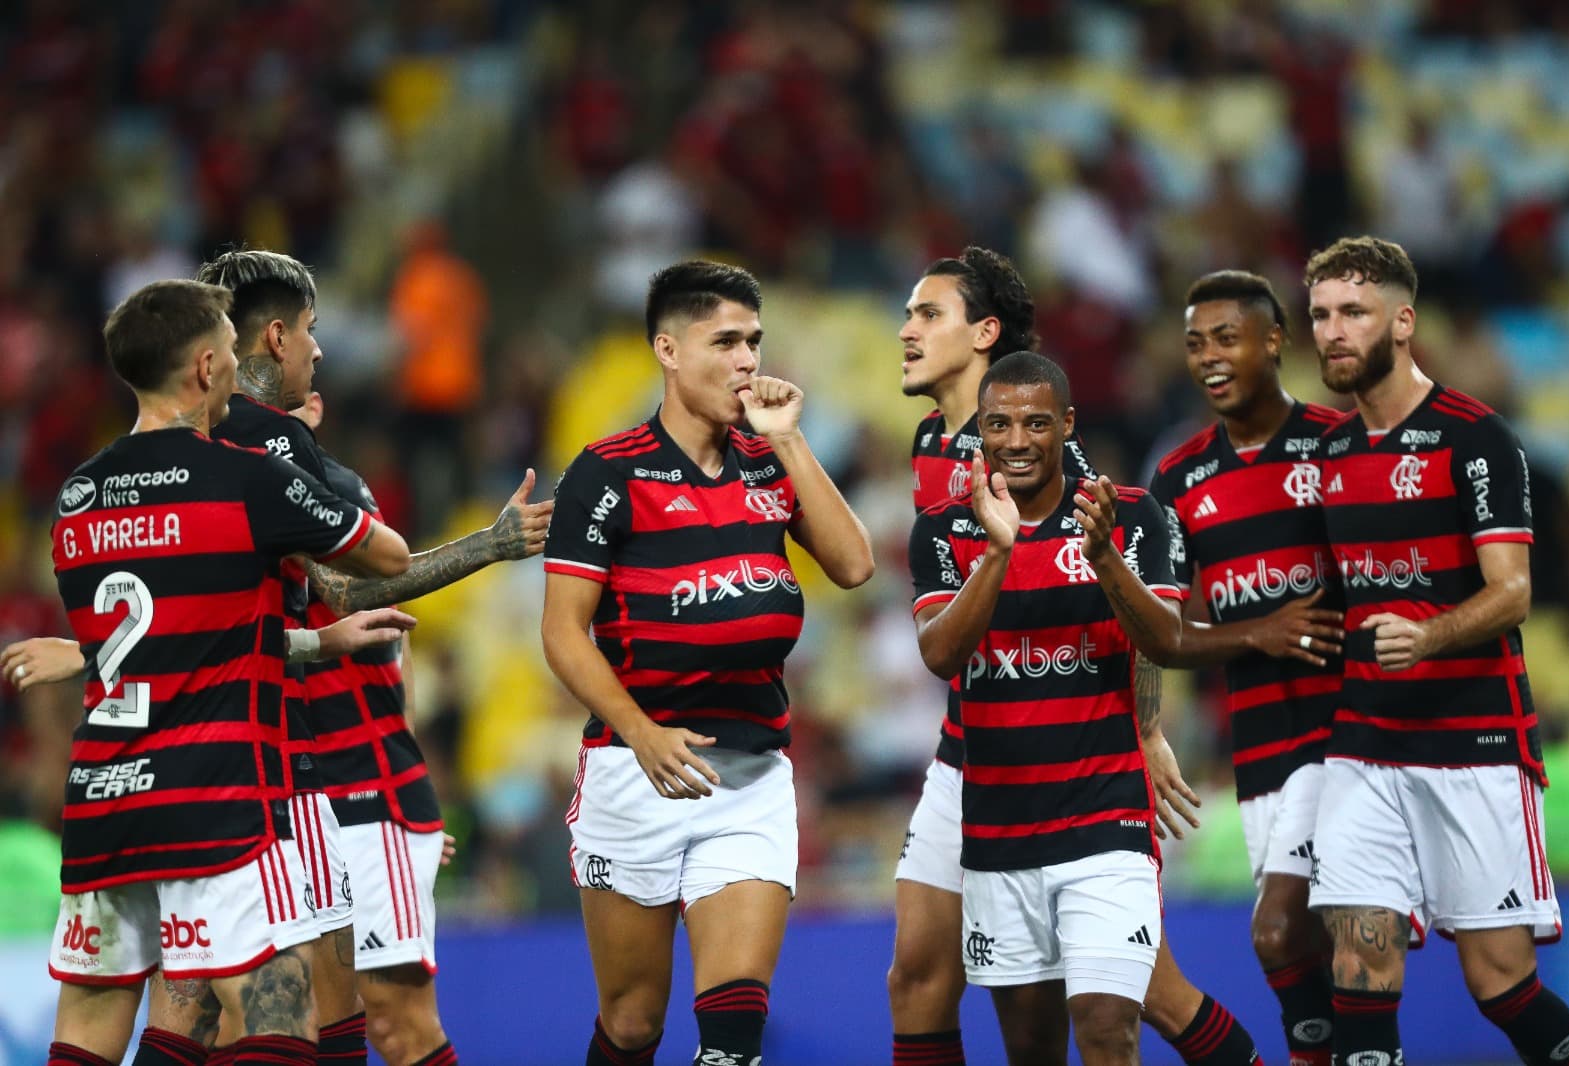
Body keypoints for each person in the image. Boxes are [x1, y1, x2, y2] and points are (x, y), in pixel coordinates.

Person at [892, 247, 1261, 1066]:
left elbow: (1118, 582)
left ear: (983, 334)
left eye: (928, 314)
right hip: (976, 758)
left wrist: (1148, 724)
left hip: (1073, 760)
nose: (907, 330)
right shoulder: (928, 442)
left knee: (1138, 1000)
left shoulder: (1064, 467)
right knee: (917, 974)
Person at [180, 249, 548, 1066]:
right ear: (274, 339)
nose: (320, 352)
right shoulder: (224, 461)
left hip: (343, 773)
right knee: (249, 1013)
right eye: (310, 333)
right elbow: (352, 593)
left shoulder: (310, 472)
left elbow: (376, 623)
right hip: (268, 776)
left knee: (353, 1018)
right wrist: (490, 544)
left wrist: (403, 787)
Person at [44, 279, 410, 1066]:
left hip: (105, 796)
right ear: (210, 367)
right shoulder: (246, 479)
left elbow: (155, 632)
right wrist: (299, 470)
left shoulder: (75, 497)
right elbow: (388, 555)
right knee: (277, 1007)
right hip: (219, 795)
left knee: (88, 1023)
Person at [542, 260, 874, 1066]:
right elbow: (561, 633)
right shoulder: (607, 471)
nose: (746, 361)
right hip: (634, 771)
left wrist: (789, 440)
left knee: (733, 1032)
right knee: (632, 1024)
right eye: (724, 341)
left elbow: (855, 564)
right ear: (667, 348)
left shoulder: (770, 462)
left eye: (754, 342)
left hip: (751, 777)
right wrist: (641, 731)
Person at [1302, 236, 1569, 1066]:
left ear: (1403, 320)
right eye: (1320, 316)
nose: (1333, 332)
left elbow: (1513, 591)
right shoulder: (1331, 454)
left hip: (1474, 743)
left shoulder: (1477, 438)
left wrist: (1427, 635)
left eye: (1353, 312)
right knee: (1358, 963)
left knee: (1500, 983)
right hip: (1364, 747)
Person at [909, 350, 1177, 1066]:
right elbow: (940, 657)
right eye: (998, 424)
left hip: (1106, 821)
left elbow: (1165, 641)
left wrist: (1107, 560)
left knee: (1106, 1025)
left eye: (1035, 422)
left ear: (1066, 424)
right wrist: (998, 554)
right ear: (981, 435)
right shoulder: (943, 530)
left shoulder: (1130, 514)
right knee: (1031, 1049)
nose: (1017, 440)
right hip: (999, 834)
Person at [1147, 270, 1347, 1066]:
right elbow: (1161, 630)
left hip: (1353, 734)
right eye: (1195, 343)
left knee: (1280, 931)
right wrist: (1255, 633)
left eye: (1227, 338)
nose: (1209, 358)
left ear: (1274, 340)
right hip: (1261, 745)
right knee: (1312, 950)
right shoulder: (1179, 477)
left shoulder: (1339, 443)